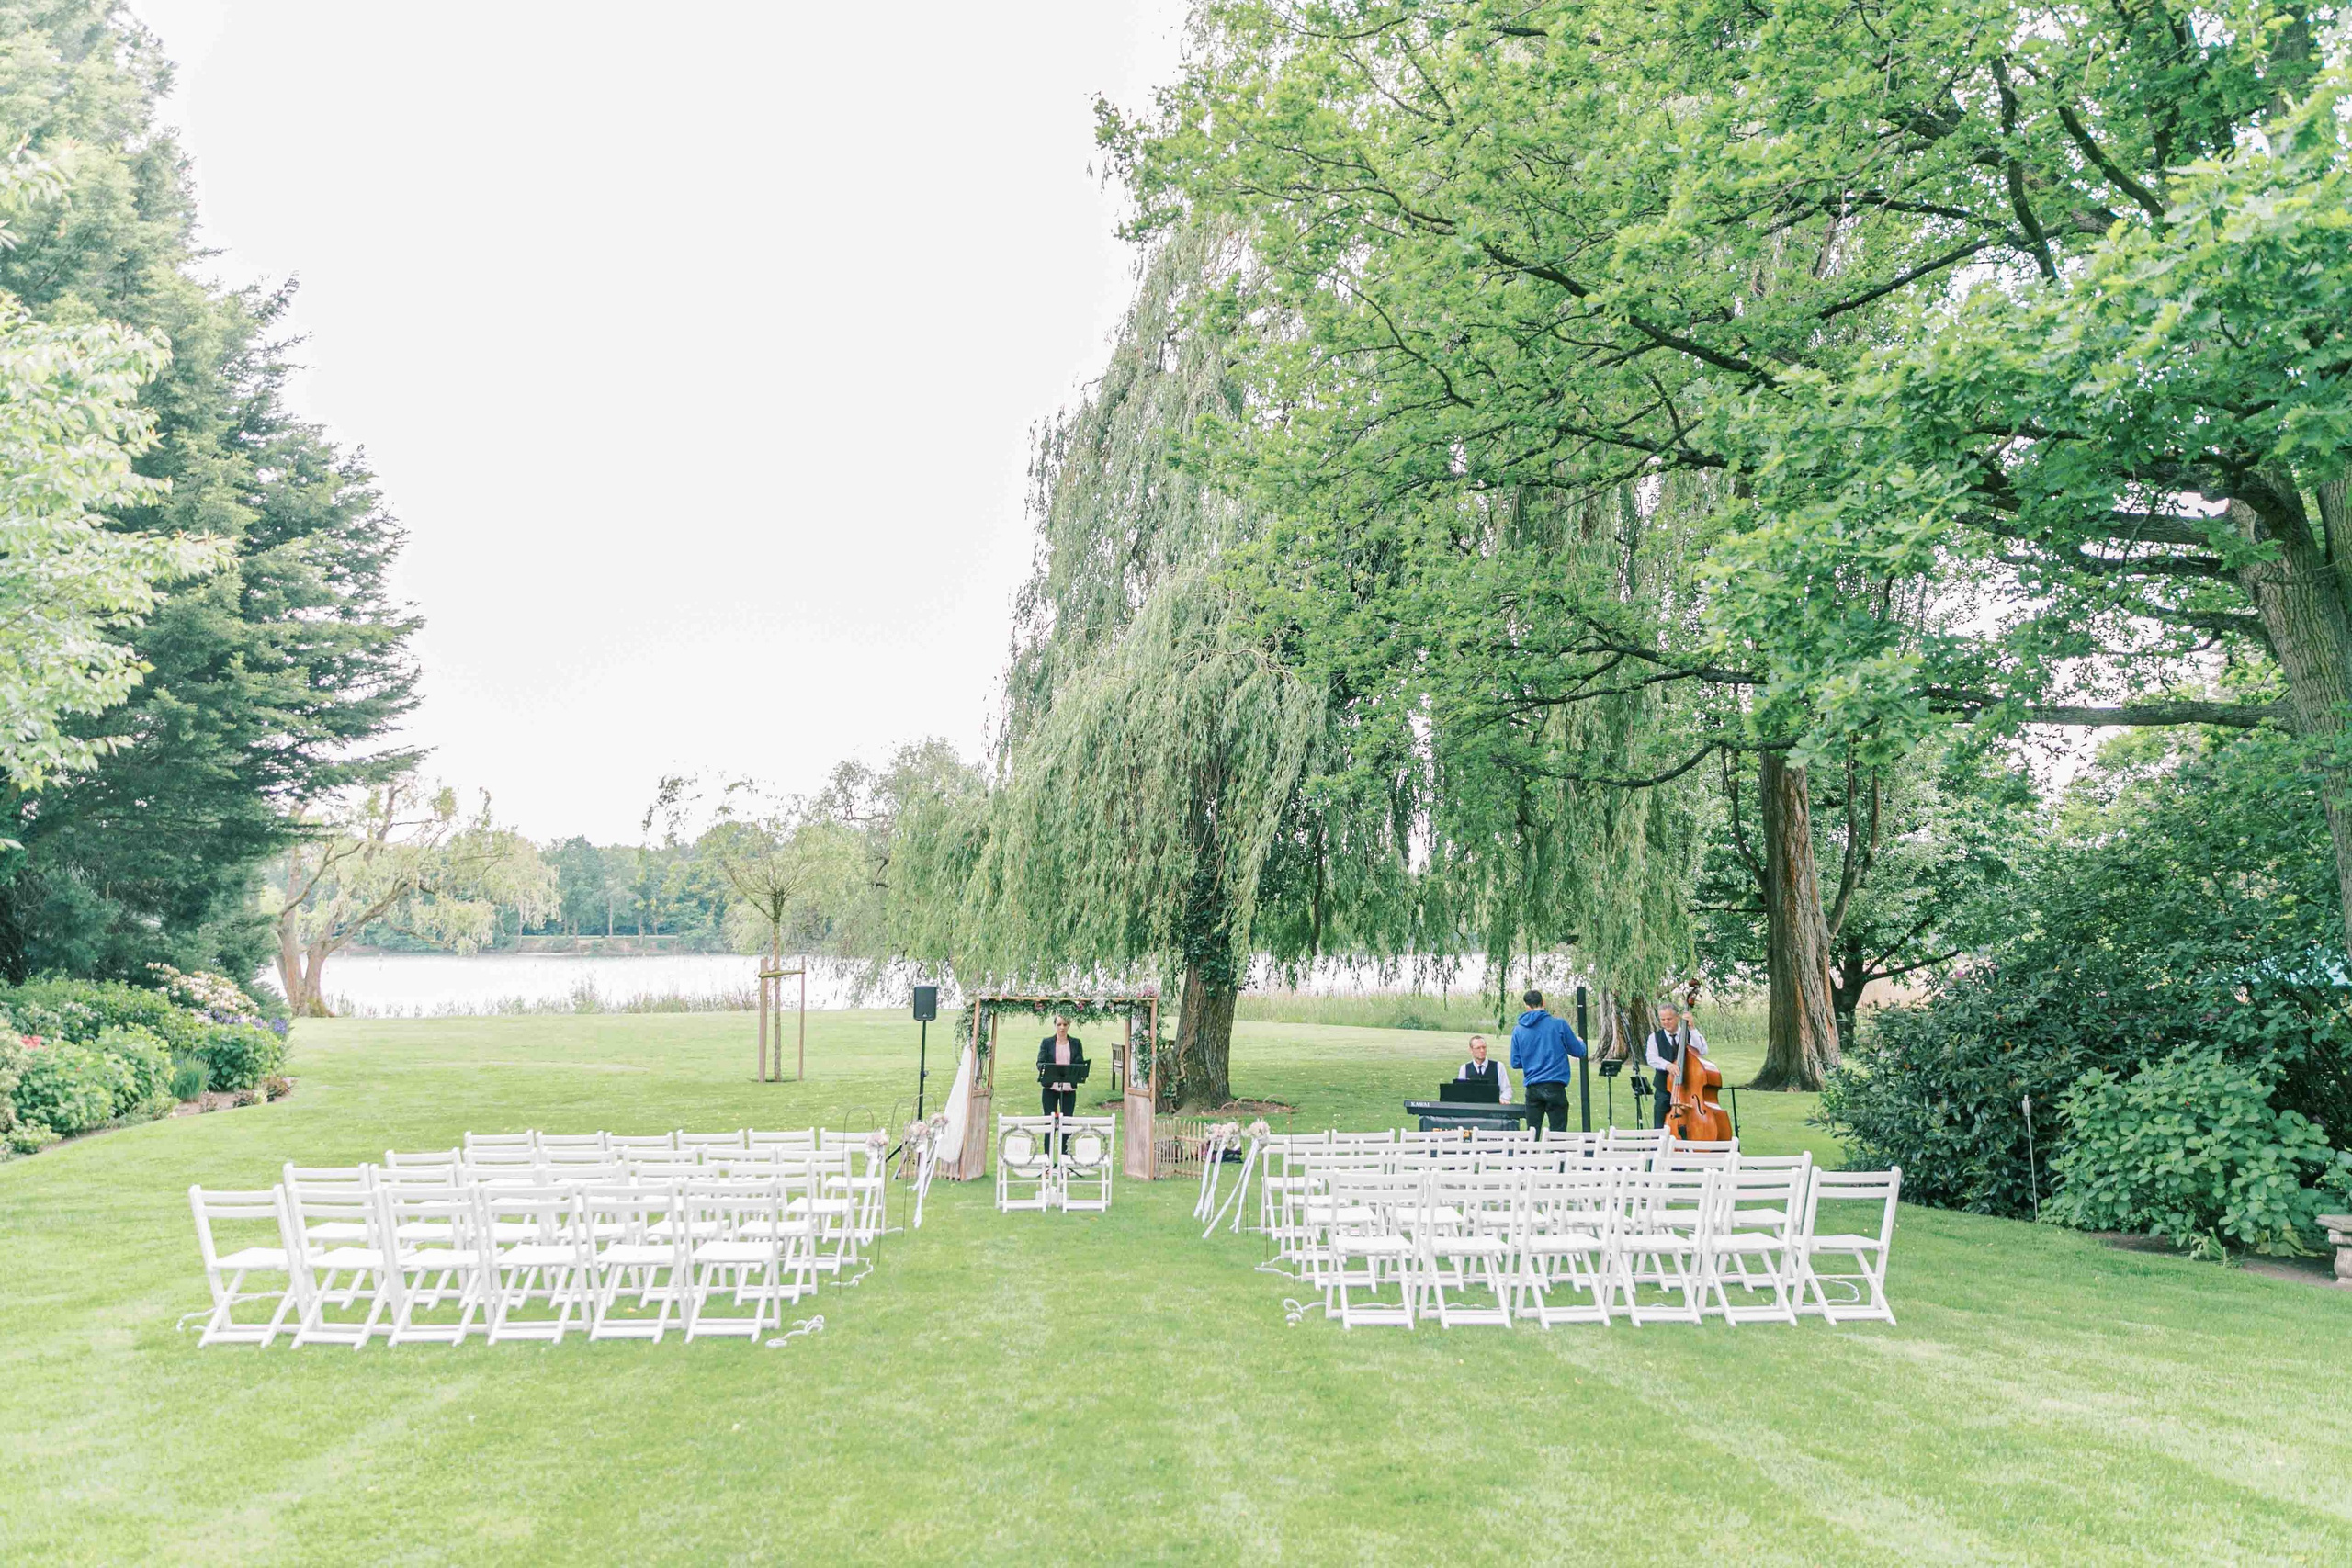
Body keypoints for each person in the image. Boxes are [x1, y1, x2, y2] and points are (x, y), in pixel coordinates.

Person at [1509, 989, 1585, 1135]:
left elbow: (1515, 1062)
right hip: (1555, 1085)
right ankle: (1558, 1157)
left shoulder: (1518, 1030)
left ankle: (1532, 1157)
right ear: (1543, 1003)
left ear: (1527, 1006)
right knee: (1558, 1134)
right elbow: (1578, 1051)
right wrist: (1581, 1043)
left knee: (1532, 1134)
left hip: (1533, 1087)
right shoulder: (1559, 1024)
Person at [1645, 1000, 1712, 1130]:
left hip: (1688, 1088)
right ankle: (1658, 1147)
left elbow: (1702, 1050)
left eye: (1669, 1018)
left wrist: (1692, 1028)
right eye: (1663, 1019)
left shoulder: (1688, 1034)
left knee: (1691, 1123)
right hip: (1664, 1089)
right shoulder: (1654, 1037)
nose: (1666, 1022)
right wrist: (1667, 1065)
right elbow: (1651, 1058)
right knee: (1660, 1124)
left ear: (1677, 1017)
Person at [1036, 1015, 1084, 1119]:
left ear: (1068, 1026)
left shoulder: (1076, 1043)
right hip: (1050, 1088)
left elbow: (1079, 1062)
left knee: (1067, 1123)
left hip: (1068, 1089)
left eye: (1065, 1024)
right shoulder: (1046, 1043)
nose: (1062, 1028)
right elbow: (1040, 1063)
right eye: (1059, 1025)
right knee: (1049, 1123)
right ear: (1055, 1026)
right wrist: (1048, 1070)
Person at [1454, 1034, 1512, 1102]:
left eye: (1484, 1047)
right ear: (1471, 1050)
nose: (1482, 1050)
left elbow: (1506, 1089)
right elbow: (1461, 1091)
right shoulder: (1464, 1068)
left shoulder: (1499, 1066)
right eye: (1478, 1048)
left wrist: (1502, 1099)